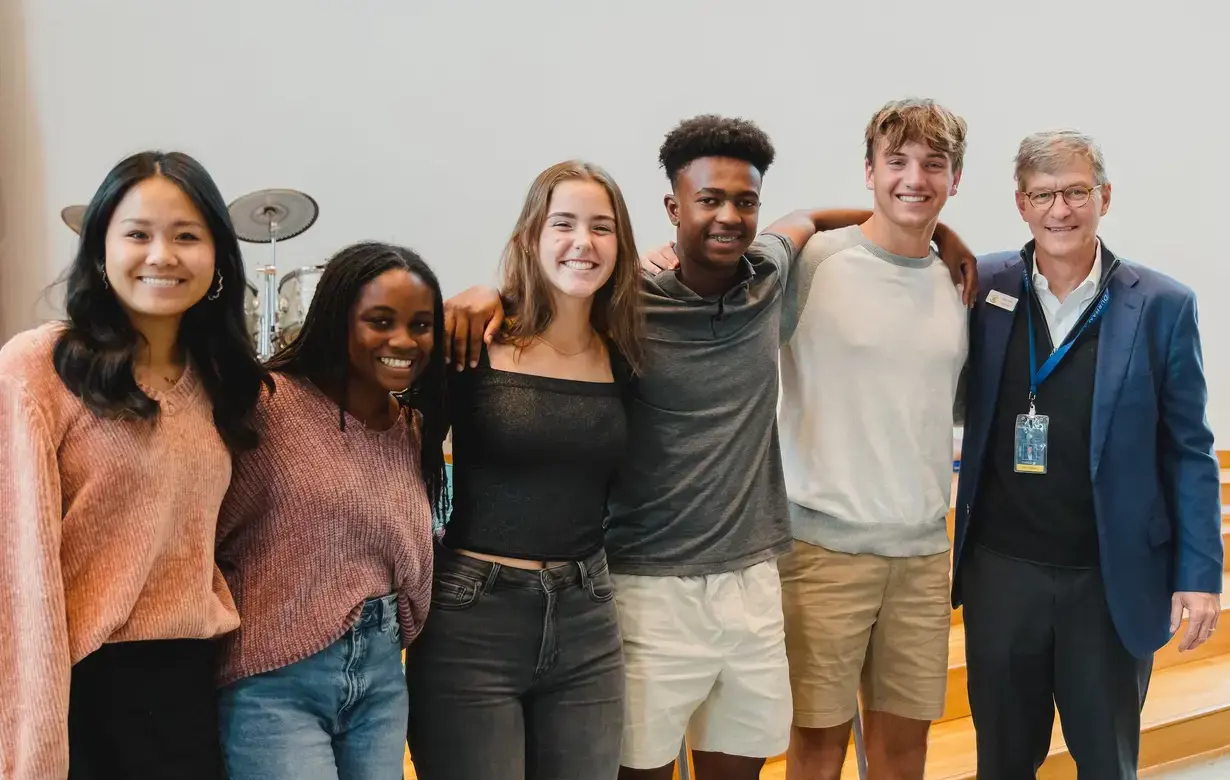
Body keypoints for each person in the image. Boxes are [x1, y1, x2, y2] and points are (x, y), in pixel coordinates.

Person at [446, 115, 975, 780]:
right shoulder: (625, 300)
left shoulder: (768, 275)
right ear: (673, 208)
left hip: (752, 584)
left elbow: (803, 218)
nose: (728, 216)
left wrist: (941, 232)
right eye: (708, 201)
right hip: (646, 586)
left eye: (744, 201)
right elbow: (554, 291)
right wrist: (491, 292)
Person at [953, 130, 1224, 778]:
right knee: (1003, 762)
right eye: (1043, 195)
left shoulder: (1162, 305)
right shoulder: (982, 286)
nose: (1060, 210)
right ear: (1021, 203)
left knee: (1106, 762)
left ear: (1104, 196)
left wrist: (1199, 571)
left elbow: (1190, 449)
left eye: (1076, 192)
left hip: (1108, 580)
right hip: (1002, 576)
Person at [0, 151, 268, 779]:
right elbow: (18, 574)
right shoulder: (38, 368)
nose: (161, 256)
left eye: (186, 236)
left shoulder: (223, 384)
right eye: (138, 234)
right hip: (75, 693)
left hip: (190, 692)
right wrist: (33, 748)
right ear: (100, 250)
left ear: (219, 259)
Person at [405, 160, 645, 780]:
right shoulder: (472, 341)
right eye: (563, 224)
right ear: (530, 237)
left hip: (587, 615)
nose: (582, 243)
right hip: (474, 617)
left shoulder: (623, 356)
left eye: (602, 227)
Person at [771, 98, 971, 780]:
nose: (915, 178)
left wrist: (952, 242)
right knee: (818, 749)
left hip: (919, 555)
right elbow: (741, 265)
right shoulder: (817, 260)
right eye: (897, 162)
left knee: (903, 755)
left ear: (954, 180)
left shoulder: (957, 280)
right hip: (823, 551)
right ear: (868, 171)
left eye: (933, 165)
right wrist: (808, 214)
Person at [214, 242, 449, 780]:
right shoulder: (267, 406)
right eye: (380, 321)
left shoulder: (413, 431)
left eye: (421, 324)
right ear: (338, 320)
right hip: (275, 679)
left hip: (382, 678)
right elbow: (206, 531)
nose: (403, 341)